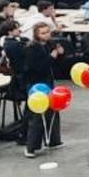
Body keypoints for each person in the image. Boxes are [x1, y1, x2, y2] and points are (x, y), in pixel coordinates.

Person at [23, 22, 64, 158]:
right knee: (37, 116)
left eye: (48, 32)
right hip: (36, 83)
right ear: (36, 34)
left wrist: (60, 55)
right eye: (43, 33)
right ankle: (31, 147)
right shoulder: (31, 48)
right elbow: (38, 68)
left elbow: (56, 65)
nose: (47, 35)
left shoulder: (49, 45)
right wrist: (51, 58)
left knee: (52, 110)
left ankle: (53, 140)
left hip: (48, 81)